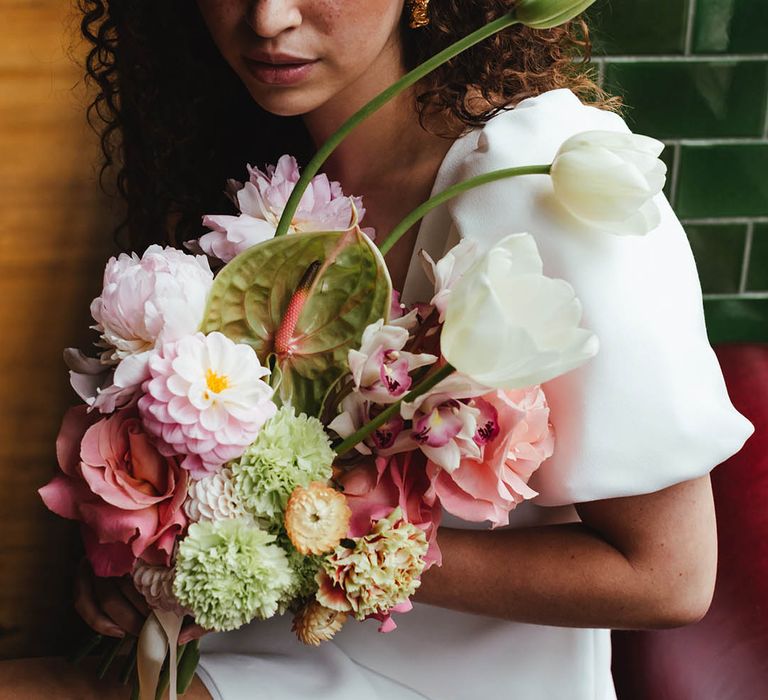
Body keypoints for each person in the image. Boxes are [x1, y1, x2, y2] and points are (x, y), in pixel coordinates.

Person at [0, 1, 754, 698]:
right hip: (251, 652)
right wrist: (146, 551)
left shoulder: (537, 181)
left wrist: (305, 545)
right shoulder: (254, 166)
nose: (267, 17)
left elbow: (668, 579)